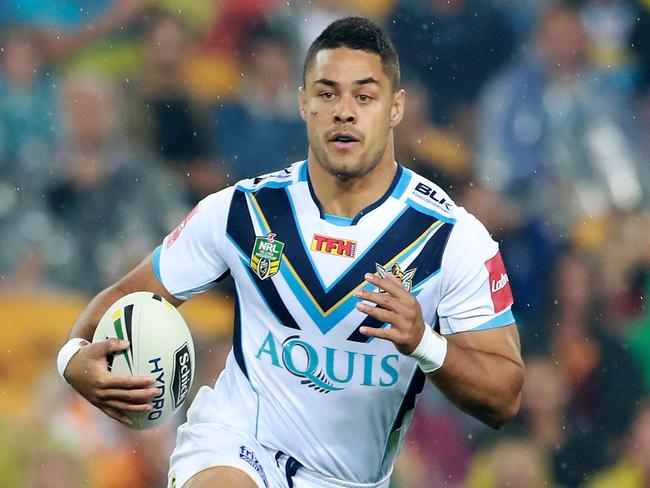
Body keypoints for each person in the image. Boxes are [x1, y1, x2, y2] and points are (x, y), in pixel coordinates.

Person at [57, 17, 524, 488]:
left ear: (395, 107)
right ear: (302, 103)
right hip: (236, 446)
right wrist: (73, 357)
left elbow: (504, 398)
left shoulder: (453, 239)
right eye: (326, 93)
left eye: (364, 96)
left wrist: (423, 341)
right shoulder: (242, 210)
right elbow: (125, 297)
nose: (344, 111)